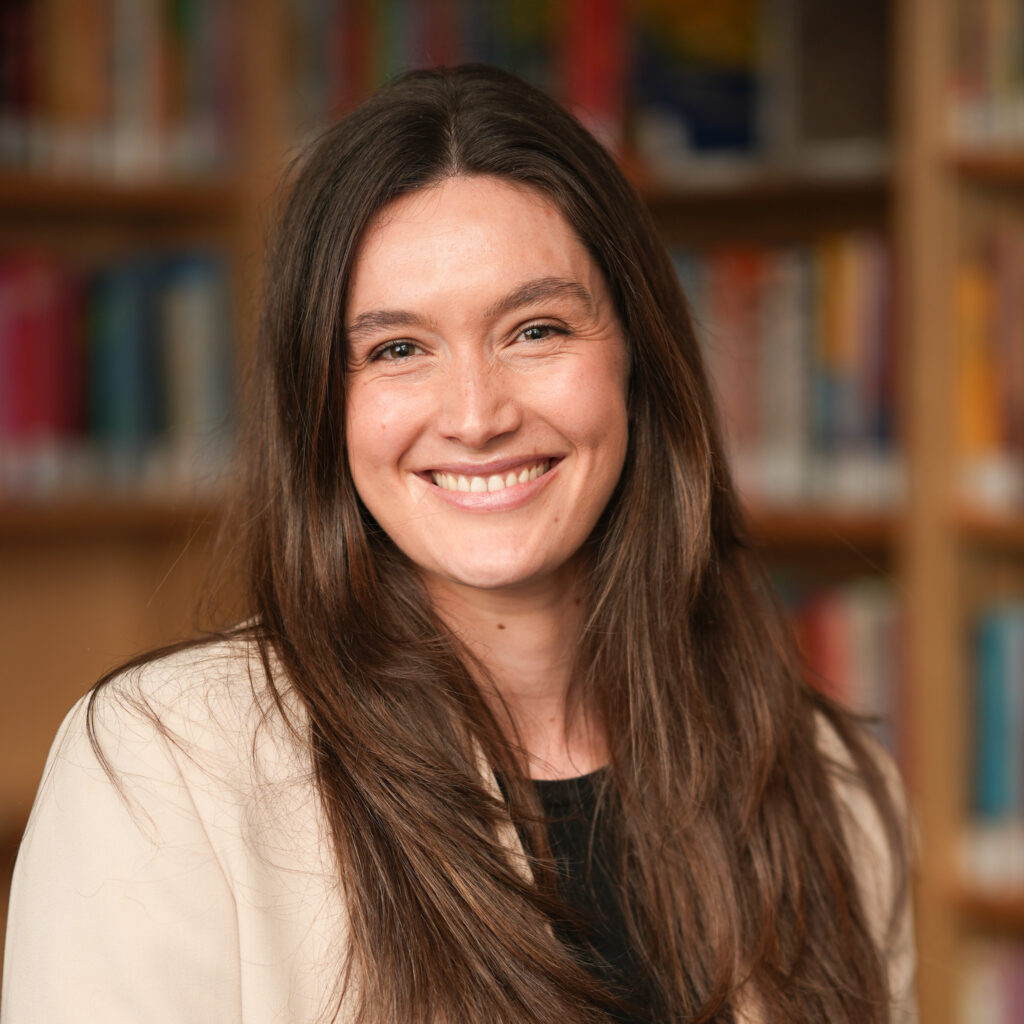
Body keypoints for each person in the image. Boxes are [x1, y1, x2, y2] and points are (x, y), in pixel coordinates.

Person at [1, 65, 915, 1024]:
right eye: (397, 349)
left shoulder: (830, 787)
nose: (477, 417)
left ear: (637, 356)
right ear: (322, 404)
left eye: (536, 330)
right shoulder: (167, 771)